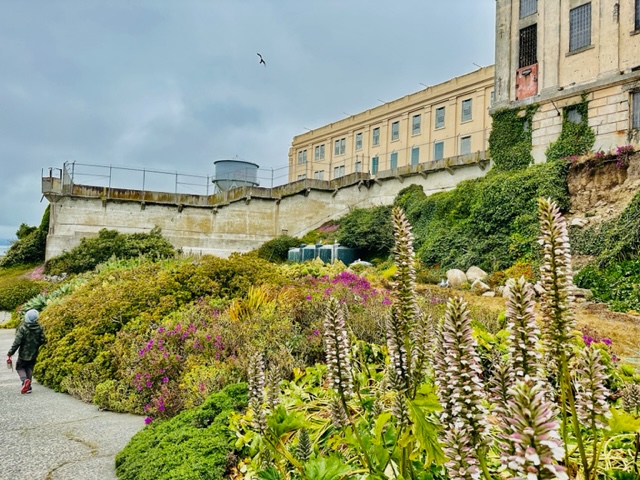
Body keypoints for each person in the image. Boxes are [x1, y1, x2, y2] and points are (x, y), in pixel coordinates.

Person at [6, 309, 46, 394]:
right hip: (34, 353)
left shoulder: (23, 328)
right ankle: (29, 387)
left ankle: (24, 381)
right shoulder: (39, 327)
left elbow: (17, 342)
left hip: (23, 354)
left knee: (19, 367)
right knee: (29, 368)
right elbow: (43, 339)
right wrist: (36, 344)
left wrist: (10, 353)